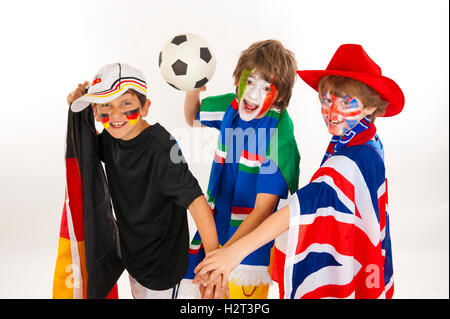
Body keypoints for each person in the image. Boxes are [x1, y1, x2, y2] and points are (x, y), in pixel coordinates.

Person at [194, 44, 404, 299]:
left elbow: (297, 209)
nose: (333, 111)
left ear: (370, 106)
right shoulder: (361, 140)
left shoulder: (354, 159)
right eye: (326, 99)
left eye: (346, 101)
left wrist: (232, 254)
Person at [66, 62, 220, 299]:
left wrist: (214, 261)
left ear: (145, 107)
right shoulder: (111, 136)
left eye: (126, 104)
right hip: (134, 257)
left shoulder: (161, 149)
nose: (116, 115)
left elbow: (196, 202)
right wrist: (78, 111)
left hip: (163, 266)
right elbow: (91, 151)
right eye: (106, 106)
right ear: (96, 112)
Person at [180, 40, 300, 299]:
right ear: (238, 79)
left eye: (267, 87)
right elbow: (193, 118)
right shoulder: (231, 106)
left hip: (248, 252)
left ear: (279, 95)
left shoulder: (280, 138)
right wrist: (193, 89)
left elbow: (263, 210)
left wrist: (225, 256)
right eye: (250, 82)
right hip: (216, 232)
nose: (254, 94)